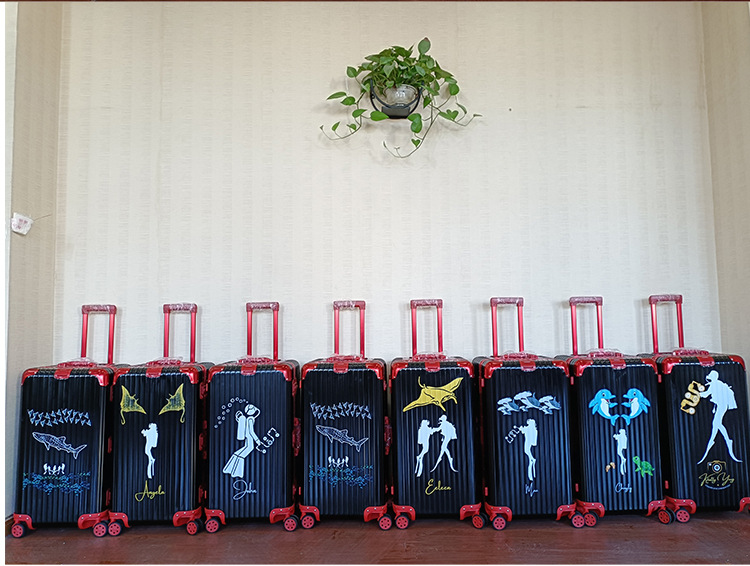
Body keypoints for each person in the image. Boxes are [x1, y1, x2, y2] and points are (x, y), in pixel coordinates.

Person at [698, 371, 741, 464]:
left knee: (715, 423)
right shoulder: (718, 383)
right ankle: (726, 441)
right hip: (722, 406)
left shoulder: (714, 384)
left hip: (721, 406)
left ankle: (713, 441)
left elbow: (706, 394)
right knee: (717, 424)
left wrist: (698, 393)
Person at [223, 404, 262, 478]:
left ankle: (229, 469)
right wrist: (258, 441)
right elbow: (251, 431)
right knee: (245, 452)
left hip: (246, 436)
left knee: (240, 452)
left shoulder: (247, 418)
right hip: (250, 437)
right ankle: (236, 472)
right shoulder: (250, 419)